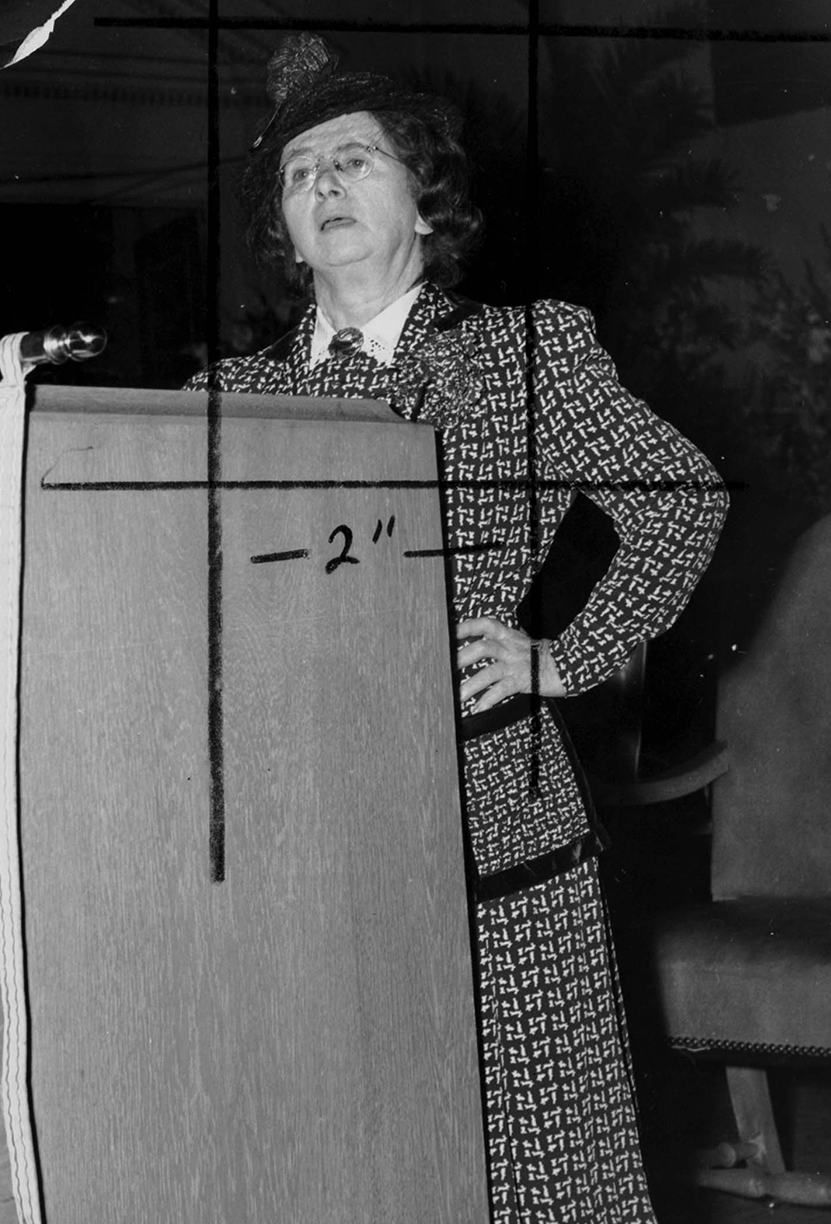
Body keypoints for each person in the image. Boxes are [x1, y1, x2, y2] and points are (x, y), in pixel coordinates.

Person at [188, 32, 728, 1224]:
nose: (321, 185)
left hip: (497, 836)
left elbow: (680, 501)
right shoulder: (223, 403)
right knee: (348, 1158)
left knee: (539, 1168)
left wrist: (563, 655)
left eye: (353, 161)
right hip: (299, 854)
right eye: (296, 174)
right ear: (280, 232)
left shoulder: (525, 355)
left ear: (424, 205)